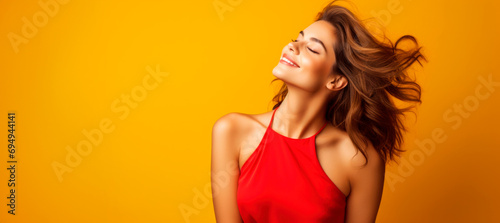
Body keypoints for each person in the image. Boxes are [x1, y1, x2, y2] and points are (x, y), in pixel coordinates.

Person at [211, 0, 426, 222]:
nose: (291, 47)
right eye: (297, 39)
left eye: (312, 48)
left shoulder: (359, 159)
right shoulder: (231, 130)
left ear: (336, 80)